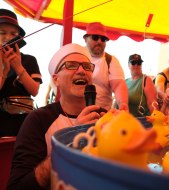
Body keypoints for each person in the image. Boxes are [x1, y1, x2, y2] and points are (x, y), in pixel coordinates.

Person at [8, 43, 104, 190]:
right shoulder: (38, 120)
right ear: (56, 79)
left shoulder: (106, 117)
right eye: (71, 65)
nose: (81, 71)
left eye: (87, 66)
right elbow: (18, 186)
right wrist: (72, 143)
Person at [0, 9, 42, 137]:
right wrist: (4, 70)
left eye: (13, 33)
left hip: (25, 122)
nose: (8, 37)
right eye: (2, 32)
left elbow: (34, 90)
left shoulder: (29, 59)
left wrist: (18, 67)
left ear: (19, 37)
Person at [83, 22, 128, 111]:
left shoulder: (111, 60)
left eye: (103, 39)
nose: (99, 41)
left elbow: (118, 84)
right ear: (85, 39)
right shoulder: (76, 55)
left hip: (101, 115)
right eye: (95, 37)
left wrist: (123, 103)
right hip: (76, 113)